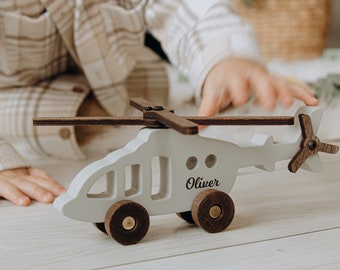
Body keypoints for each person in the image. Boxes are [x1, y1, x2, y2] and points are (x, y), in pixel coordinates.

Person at [0, 0, 318, 206]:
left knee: (152, 86)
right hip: (13, 92)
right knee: (38, 119)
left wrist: (225, 57)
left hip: (119, 79)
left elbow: (185, 7)